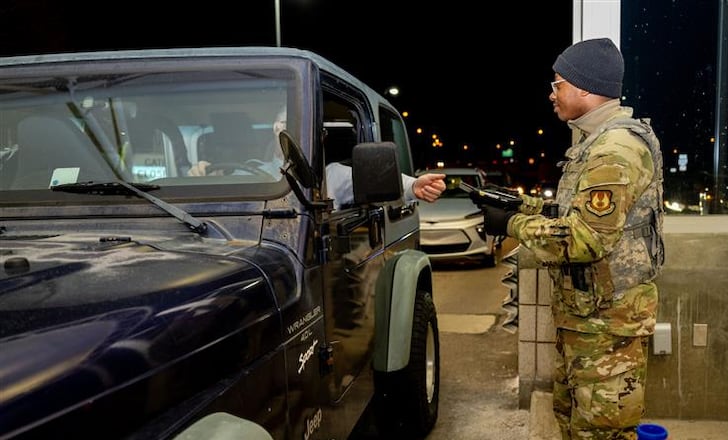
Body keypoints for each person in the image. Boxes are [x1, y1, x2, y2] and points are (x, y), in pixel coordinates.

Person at [482, 38, 664, 439]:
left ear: (584, 87)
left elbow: (585, 238)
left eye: (558, 84)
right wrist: (519, 205)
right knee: (572, 423)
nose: (552, 94)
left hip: (607, 328)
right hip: (585, 321)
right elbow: (570, 214)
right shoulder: (593, 144)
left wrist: (511, 226)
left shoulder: (615, 149)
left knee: (600, 433)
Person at [188, 109, 446, 210]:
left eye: (296, 125)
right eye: (282, 125)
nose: (286, 131)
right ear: (275, 131)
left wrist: (413, 186)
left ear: (317, 136)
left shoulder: (329, 175)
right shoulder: (251, 172)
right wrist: (198, 179)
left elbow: (373, 177)